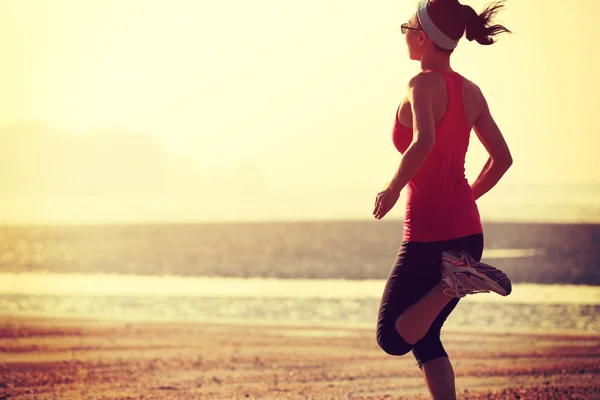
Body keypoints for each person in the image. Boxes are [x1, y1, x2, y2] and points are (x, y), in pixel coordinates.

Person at [372, 0, 513, 399]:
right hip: (467, 234)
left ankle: (453, 282)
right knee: (426, 335)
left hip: (428, 234)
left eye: (407, 26)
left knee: (391, 336)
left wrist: (393, 188)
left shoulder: (420, 84)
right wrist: (465, 198)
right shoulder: (472, 91)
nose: (404, 33)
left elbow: (424, 142)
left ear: (422, 36)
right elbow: (502, 159)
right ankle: (459, 276)